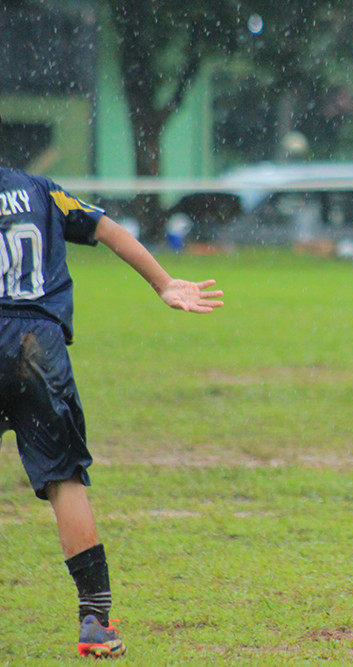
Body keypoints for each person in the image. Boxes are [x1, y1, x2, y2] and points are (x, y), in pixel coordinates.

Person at [0, 153, 224, 657]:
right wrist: (163, 283)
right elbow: (106, 228)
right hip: (38, 344)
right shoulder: (40, 191)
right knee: (64, 479)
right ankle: (95, 621)